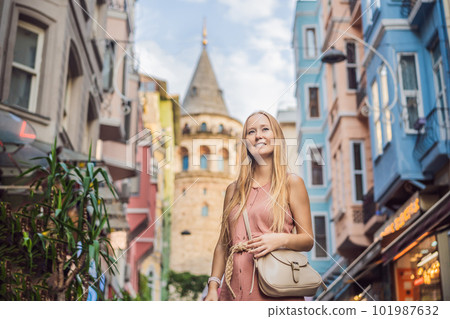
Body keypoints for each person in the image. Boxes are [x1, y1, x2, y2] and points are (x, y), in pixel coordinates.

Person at [204, 111, 314, 301]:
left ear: (276, 137)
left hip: (274, 289)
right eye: (251, 131)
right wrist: (213, 286)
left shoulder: (292, 183)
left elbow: (308, 240)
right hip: (233, 290)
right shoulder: (233, 190)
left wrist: (278, 240)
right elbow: (223, 244)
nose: (258, 135)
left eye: (265, 129)